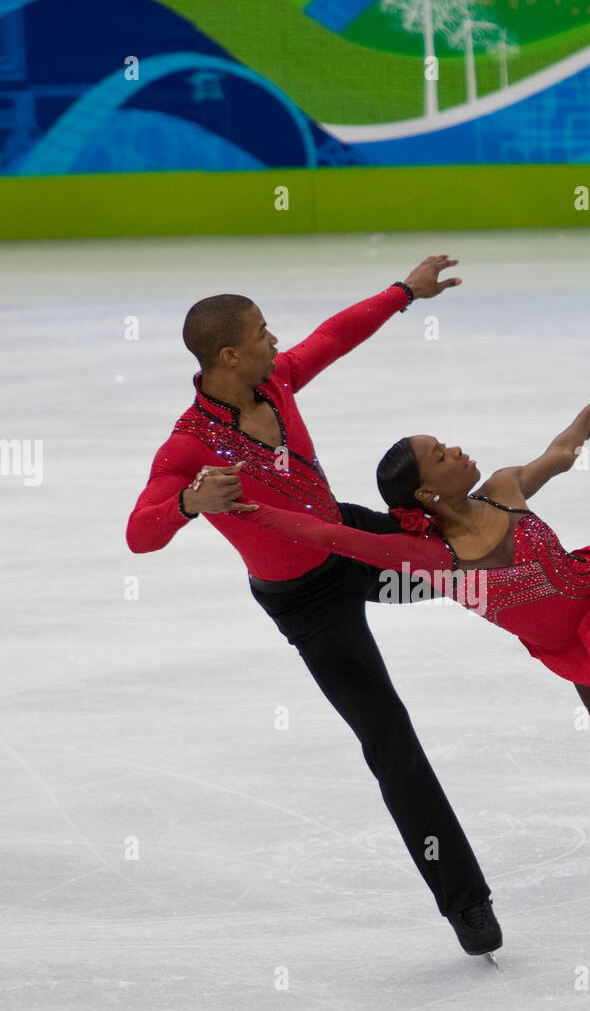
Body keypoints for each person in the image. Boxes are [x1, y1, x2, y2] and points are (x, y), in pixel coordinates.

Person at [226, 372, 590, 977]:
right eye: (440, 455)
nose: (456, 450)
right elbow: (330, 533)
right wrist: (255, 513)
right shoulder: (431, 557)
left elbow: (560, 454)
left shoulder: (504, 488)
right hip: (582, 653)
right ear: (427, 495)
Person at [126, 257, 505, 958]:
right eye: (263, 333)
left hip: (353, 541)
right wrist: (186, 503)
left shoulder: (276, 380)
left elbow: (331, 338)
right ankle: (466, 902)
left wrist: (403, 293)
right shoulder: (188, 446)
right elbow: (137, 534)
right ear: (228, 354)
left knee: (484, 557)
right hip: (309, 606)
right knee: (390, 737)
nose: (277, 341)